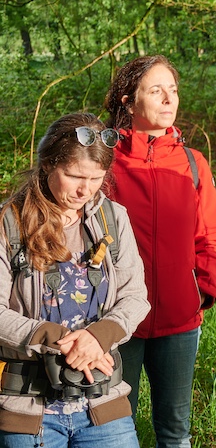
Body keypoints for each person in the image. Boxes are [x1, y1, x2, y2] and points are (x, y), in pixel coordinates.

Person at [0, 113, 150, 447]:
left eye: (96, 178)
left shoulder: (114, 218)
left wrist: (98, 338)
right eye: (73, 176)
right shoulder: (8, 224)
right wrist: (63, 341)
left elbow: (135, 297)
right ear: (47, 165)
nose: (86, 189)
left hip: (103, 402)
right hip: (28, 411)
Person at [103, 56, 216, 448]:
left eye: (172, 89)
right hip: (117, 320)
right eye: (155, 90)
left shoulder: (193, 163)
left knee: (175, 430)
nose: (168, 98)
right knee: (115, 426)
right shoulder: (105, 163)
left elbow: (209, 237)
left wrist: (201, 290)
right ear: (129, 101)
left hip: (179, 318)